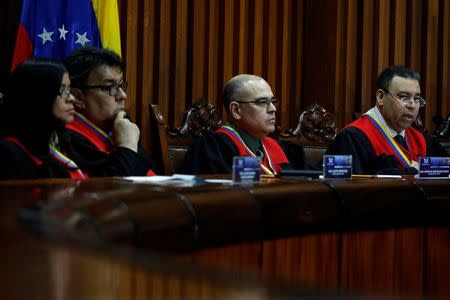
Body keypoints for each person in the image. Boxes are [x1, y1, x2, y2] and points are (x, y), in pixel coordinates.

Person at [326, 65, 448, 175]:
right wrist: (409, 173)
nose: (412, 105)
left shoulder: (421, 140)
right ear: (381, 97)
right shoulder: (353, 138)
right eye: (404, 97)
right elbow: (351, 190)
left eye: (416, 99)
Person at [64, 46, 154, 176]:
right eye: (110, 87)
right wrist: (128, 145)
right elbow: (112, 188)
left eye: (121, 86)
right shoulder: (70, 139)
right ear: (78, 97)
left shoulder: (118, 127)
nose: (122, 95)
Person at [181, 74, 292, 174]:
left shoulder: (278, 147)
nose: (273, 109)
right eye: (263, 102)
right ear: (236, 110)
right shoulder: (214, 148)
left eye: (273, 102)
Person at [0, 60, 87, 180]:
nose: (71, 98)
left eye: (69, 90)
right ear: (38, 96)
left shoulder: (62, 140)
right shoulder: (9, 153)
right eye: (62, 91)